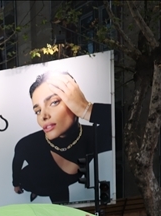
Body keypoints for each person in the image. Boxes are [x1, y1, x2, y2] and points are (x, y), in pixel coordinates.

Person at [11, 72, 111, 203]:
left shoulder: (93, 137)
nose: (43, 116)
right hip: (32, 181)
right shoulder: (27, 144)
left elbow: (125, 124)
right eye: (38, 111)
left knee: (59, 198)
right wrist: (16, 183)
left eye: (53, 103)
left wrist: (86, 109)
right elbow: (17, 163)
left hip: (57, 188)